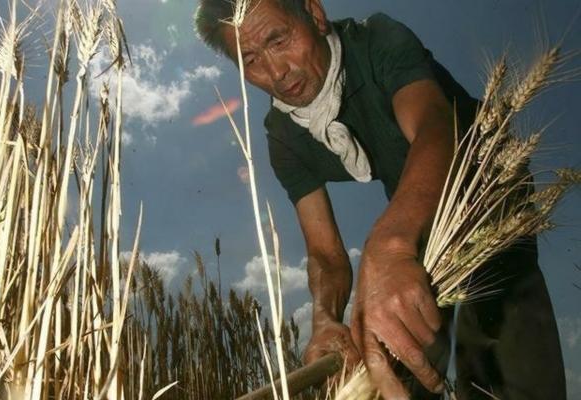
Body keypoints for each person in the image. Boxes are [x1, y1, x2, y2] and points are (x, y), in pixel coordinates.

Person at [194, 0, 566, 398]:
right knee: (397, 354)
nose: (277, 72)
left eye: (279, 39)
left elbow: (435, 128)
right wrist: (324, 319)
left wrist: (388, 244)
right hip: (415, 213)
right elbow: (326, 254)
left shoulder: (378, 38)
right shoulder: (283, 136)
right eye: (250, 59)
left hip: (486, 186)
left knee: (499, 332)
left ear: (314, 14)